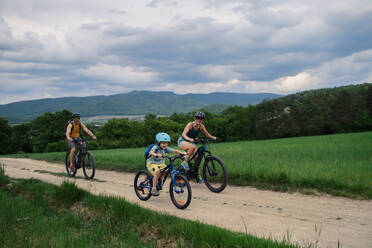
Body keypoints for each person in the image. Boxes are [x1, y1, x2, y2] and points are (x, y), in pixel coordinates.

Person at [177, 111, 216, 183]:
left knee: (197, 159)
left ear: (202, 119)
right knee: (192, 147)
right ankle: (184, 163)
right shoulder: (190, 124)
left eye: (200, 119)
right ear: (195, 118)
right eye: (197, 118)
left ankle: (197, 175)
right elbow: (183, 134)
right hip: (182, 141)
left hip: (191, 142)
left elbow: (207, 134)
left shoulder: (201, 126)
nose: (198, 120)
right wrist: (189, 139)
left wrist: (212, 137)